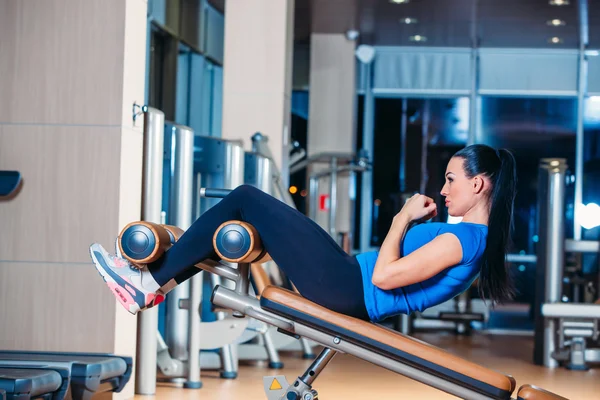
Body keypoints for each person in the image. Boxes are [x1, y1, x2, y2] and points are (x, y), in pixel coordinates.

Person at [89, 144, 517, 322]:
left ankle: (147, 282)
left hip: (349, 287)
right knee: (251, 207)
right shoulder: (467, 239)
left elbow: (385, 278)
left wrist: (401, 218)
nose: (443, 190)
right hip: (347, 278)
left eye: (451, 180)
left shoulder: (462, 241)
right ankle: (151, 284)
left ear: (478, 185)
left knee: (246, 198)